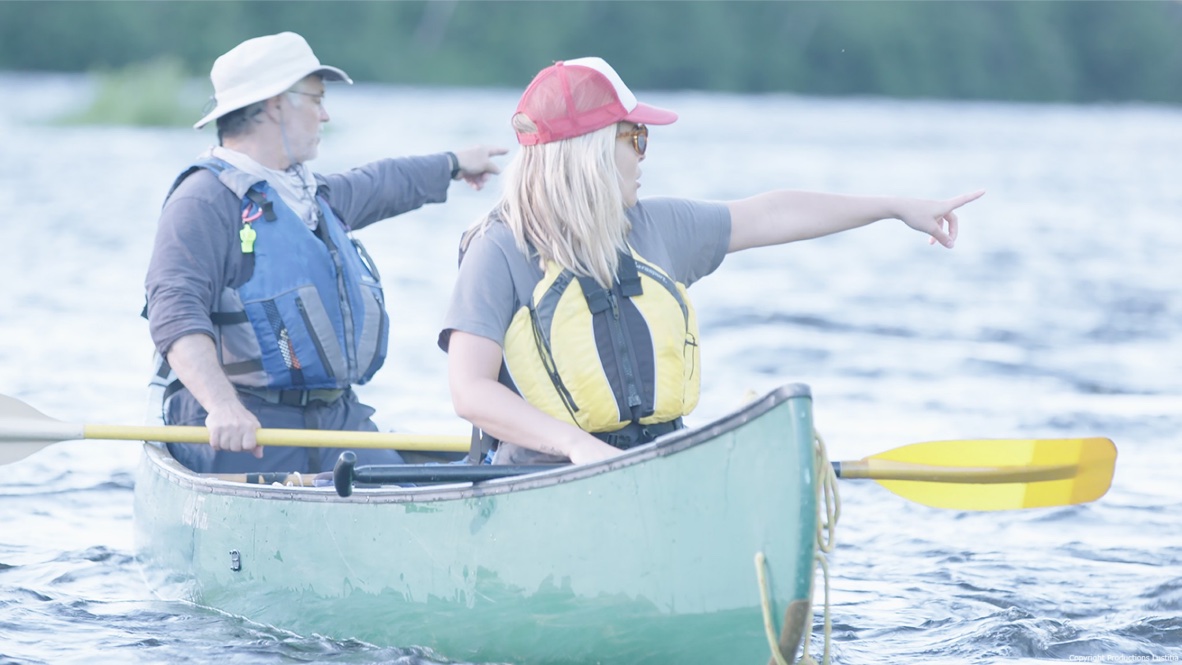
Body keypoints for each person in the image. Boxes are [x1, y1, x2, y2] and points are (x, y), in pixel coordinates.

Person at [439, 57, 984, 466]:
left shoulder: (657, 228)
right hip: (544, 483)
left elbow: (772, 213)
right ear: (594, 151)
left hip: (657, 466)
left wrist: (893, 207)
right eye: (638, 138)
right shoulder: (499, 249)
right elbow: (471, 391)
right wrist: (578, 448)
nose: (644, 153)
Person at [144, 32, 506, 474]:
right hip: (245, 423)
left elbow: (381, 182)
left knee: (405, 490)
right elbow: (174, 312)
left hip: (334, 418)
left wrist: (453, 163)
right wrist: (222, 407)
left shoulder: (309, 196)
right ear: (276, 104)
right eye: (316, 99)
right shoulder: (201, 201)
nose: (326, 114)